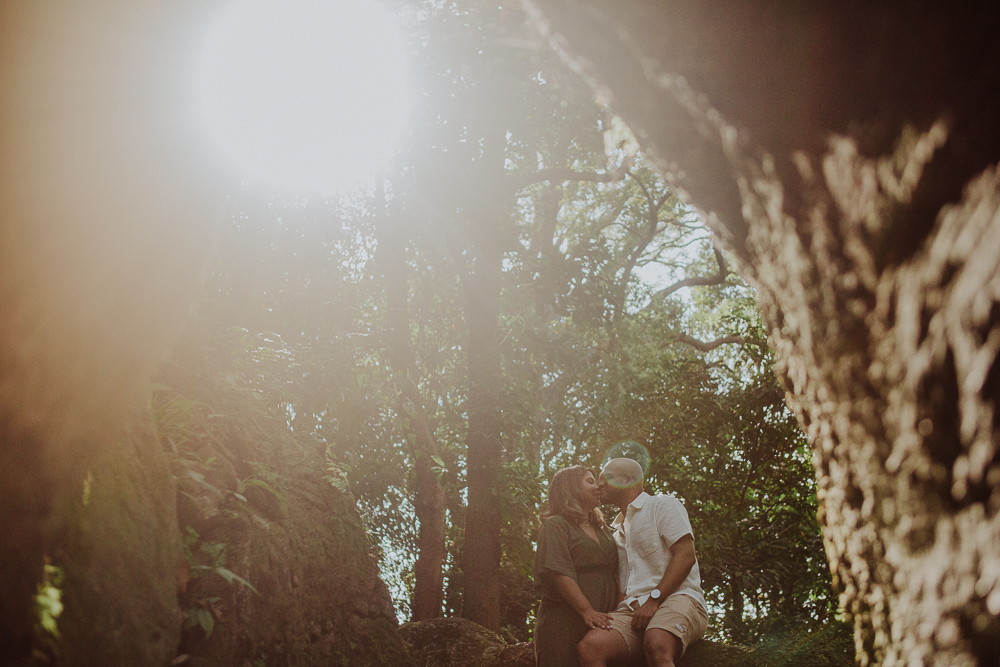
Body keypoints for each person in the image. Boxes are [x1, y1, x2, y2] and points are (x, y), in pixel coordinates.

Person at [578, 457, 708, 667]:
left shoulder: (662, 505)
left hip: (678, 598)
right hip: (633, 610)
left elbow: (686, 556)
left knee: (657, 642)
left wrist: (654, 599)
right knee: (591, 646)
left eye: (605, 478)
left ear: (627, 480)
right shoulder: (615, 532)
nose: (599, 485)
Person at [534, 465, 620, 667]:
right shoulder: (556, 525)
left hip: (605, 618)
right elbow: (559, 572)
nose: (597, 487)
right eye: (590, 481)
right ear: (571, 487)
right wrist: (587, 611)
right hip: (565, 620)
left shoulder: (603, 529)